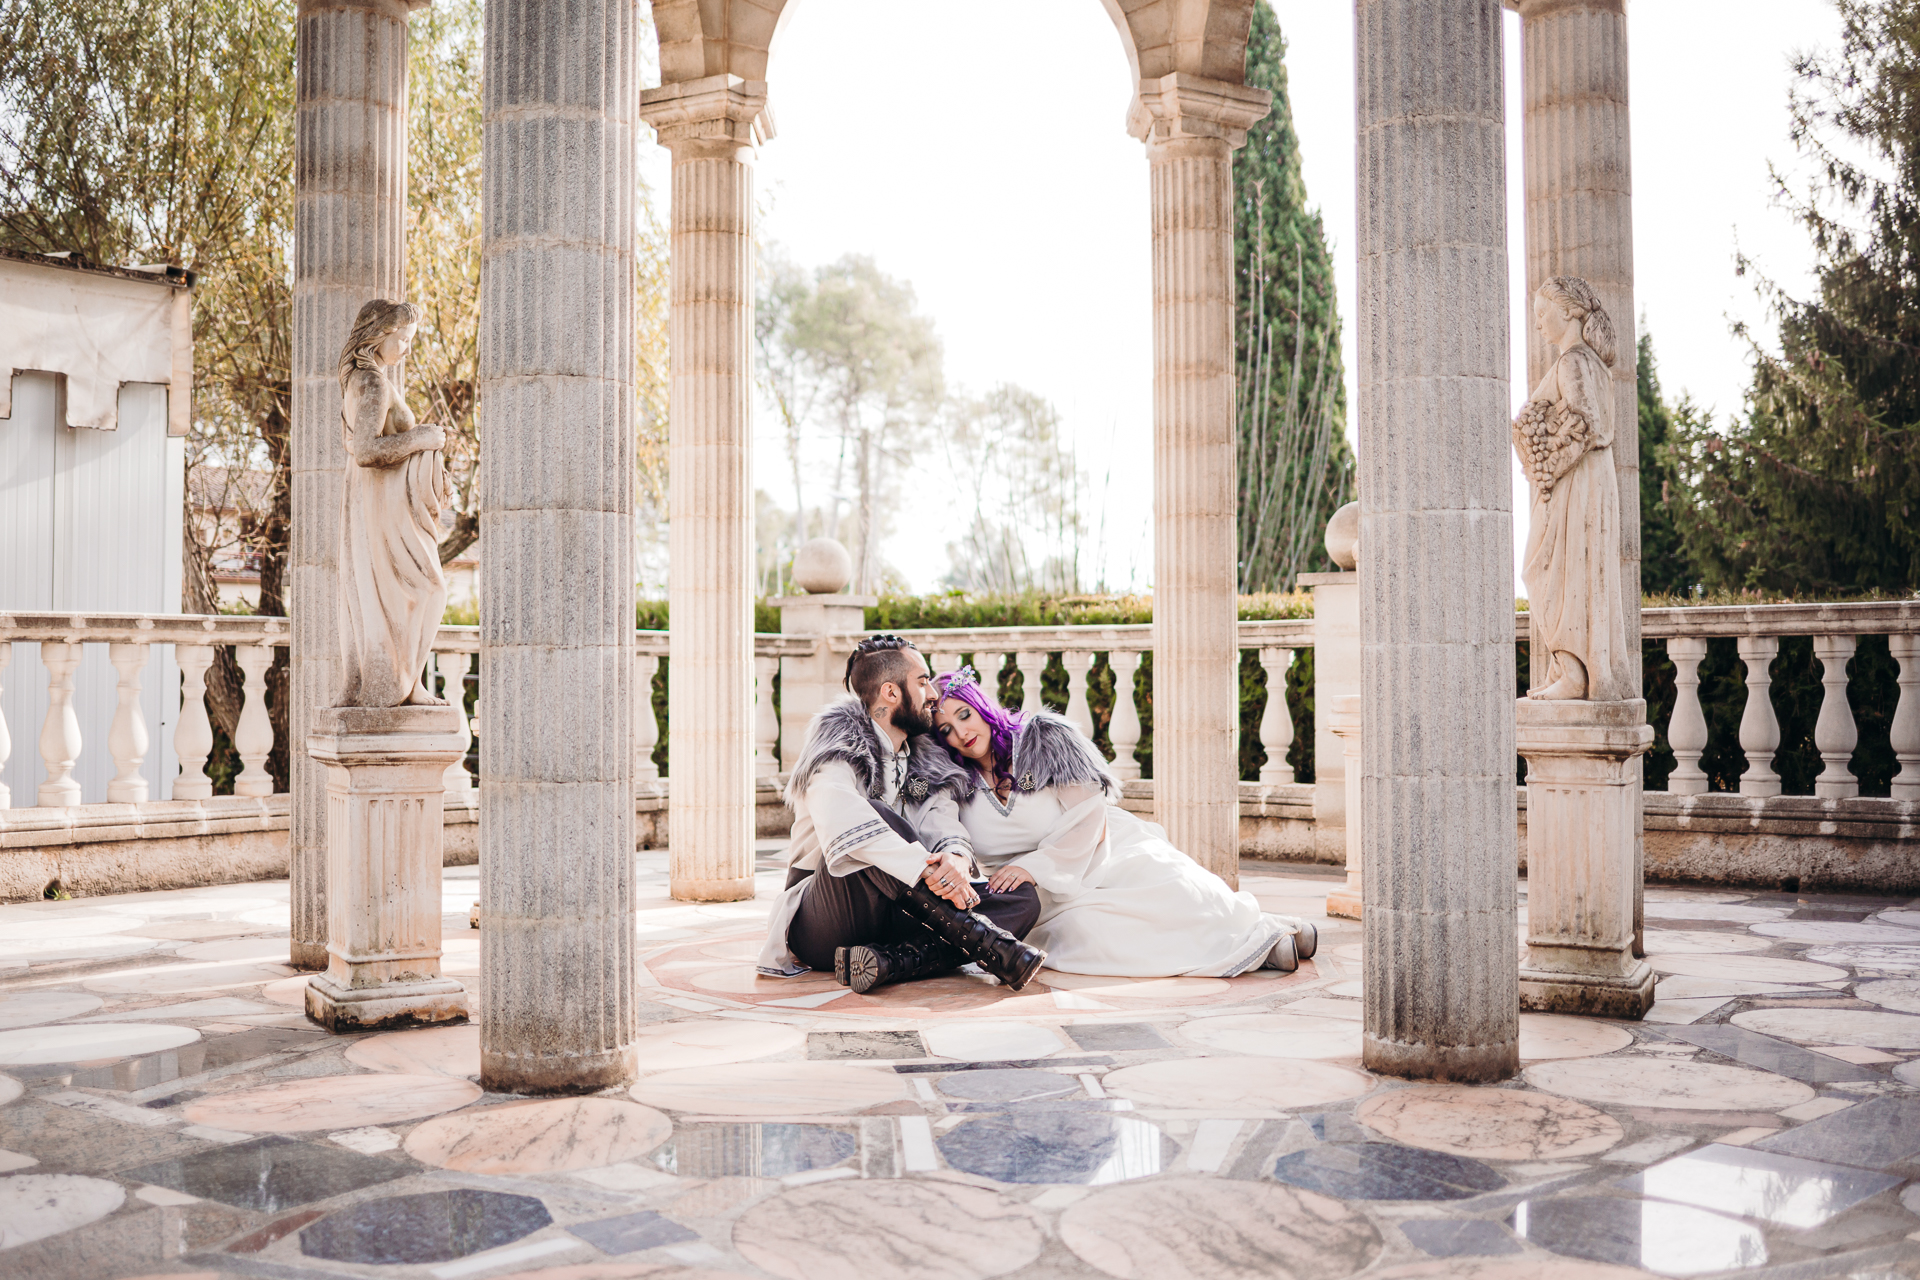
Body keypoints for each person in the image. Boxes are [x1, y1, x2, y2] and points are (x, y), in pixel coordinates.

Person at [923, 665, 1317, 977]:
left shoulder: (1043, 741)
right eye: (946, 730)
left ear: (980, 705)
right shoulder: (953, 784)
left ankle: (1259, 936)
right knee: (1096, 934)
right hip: (1039, 896)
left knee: (1175, 891)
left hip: (1099, 849)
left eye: (964, 715)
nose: (961, 733)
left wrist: (1034, 865)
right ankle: (1257, 946)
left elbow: (1089, 815)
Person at [756, 635, 1048, 995]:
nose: (932, 694)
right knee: (877, 816)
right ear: (891, 693)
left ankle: (890, 962)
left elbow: (941, 819)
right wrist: (926, 868)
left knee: (1021, 898)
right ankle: (981, 938)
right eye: (923, 681)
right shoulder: (836, 746)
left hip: (899, 911)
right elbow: (840, 819)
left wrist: (955, 859)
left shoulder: (926, 759)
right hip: (827, 917)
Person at [1512, 275, 1629, 702]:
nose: (1539, 323)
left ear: (1570, 312)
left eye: (1544, 313)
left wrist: (1547, 468)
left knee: (1547, 568)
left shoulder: (1573, 362)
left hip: (1576, 482)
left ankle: (1575, 672)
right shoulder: (1589, 363)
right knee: (1567, 570)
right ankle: (1569, 667)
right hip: (1584, 480)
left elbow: (1586, 425)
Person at [336, 298, 450, 708]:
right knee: (430, 589)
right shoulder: (372, 383)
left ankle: (403, 681)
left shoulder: (362, 381)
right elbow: (366, 450)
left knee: (407, 593)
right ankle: (399, 683)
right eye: (402, 338)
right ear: (377, 336)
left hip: (381, 502)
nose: (407, 347)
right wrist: (421, 438)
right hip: (381, 508)